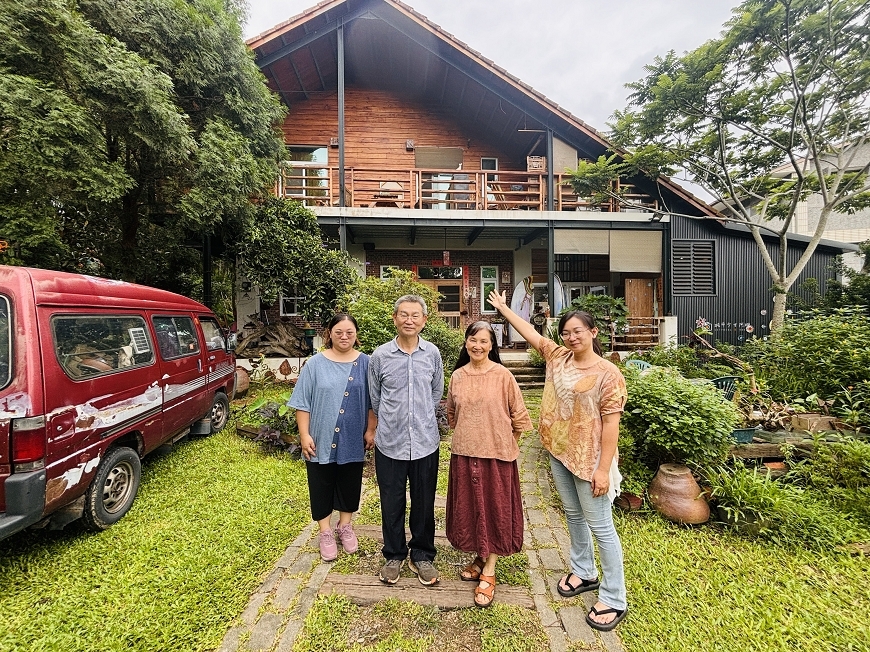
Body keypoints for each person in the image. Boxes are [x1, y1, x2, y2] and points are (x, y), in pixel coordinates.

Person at [488, 289, 629, 632]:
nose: (571, 337)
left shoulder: (609, 374)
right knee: (573, 515)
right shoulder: (558, 357)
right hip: (558, 450)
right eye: (566, 332)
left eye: (578, 331)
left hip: (589, 458)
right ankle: (584, 571)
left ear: (594, 333)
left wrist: (601, 469)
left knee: (601, 527)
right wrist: (505, 310)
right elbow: (532, 334)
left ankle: (614, 596)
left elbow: (612, 425)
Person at [446, 321, 532, 607]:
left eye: (484, 341)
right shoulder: (457, 376)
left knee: (494, 511)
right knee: (471, 511)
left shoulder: (503, 376)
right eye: (473, 339)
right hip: (465, 453)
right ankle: (480, 557)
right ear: (466, 342)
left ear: (492, 345)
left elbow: (519, 418)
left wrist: (507, 443)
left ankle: (490, 570)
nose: (477, 346)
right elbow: (452, 416)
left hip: (497, 456)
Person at [368, 295, 444, 586]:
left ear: (424, 321)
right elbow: (375, 397)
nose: (409, 320)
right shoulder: (380, 356)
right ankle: (395, 554)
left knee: (424, 502)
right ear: (394, 318)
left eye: (415, 315)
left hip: (425, 441)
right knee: (392, 501)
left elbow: (436, 393)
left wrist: (420, 417)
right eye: (404, 315)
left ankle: (422, 554)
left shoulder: (432, 354)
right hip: (390, 442)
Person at [288, 313, 376, 562]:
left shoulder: (366, 364)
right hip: (320, 436)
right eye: (339, 332)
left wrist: (371, 430)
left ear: (356, 335)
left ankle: (345, 526)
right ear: (329, 334)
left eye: (349, 332)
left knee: (349, 481)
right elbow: (302, 403)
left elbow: (372, 403)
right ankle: (325, 531)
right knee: (321, 482)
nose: (344, 336)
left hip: (352, 436)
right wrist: (304, 434)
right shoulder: (315, 364)